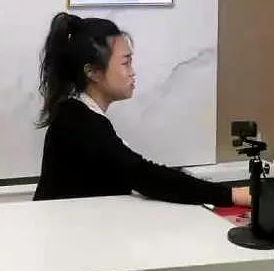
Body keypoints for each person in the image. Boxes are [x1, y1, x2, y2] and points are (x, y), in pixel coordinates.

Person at [33, 13, 250, 206]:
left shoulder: (76, 114)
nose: (132, 72)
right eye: (125, 63)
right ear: (93, 72)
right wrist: (231, 195)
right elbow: (145, 176)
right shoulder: (80, 123)